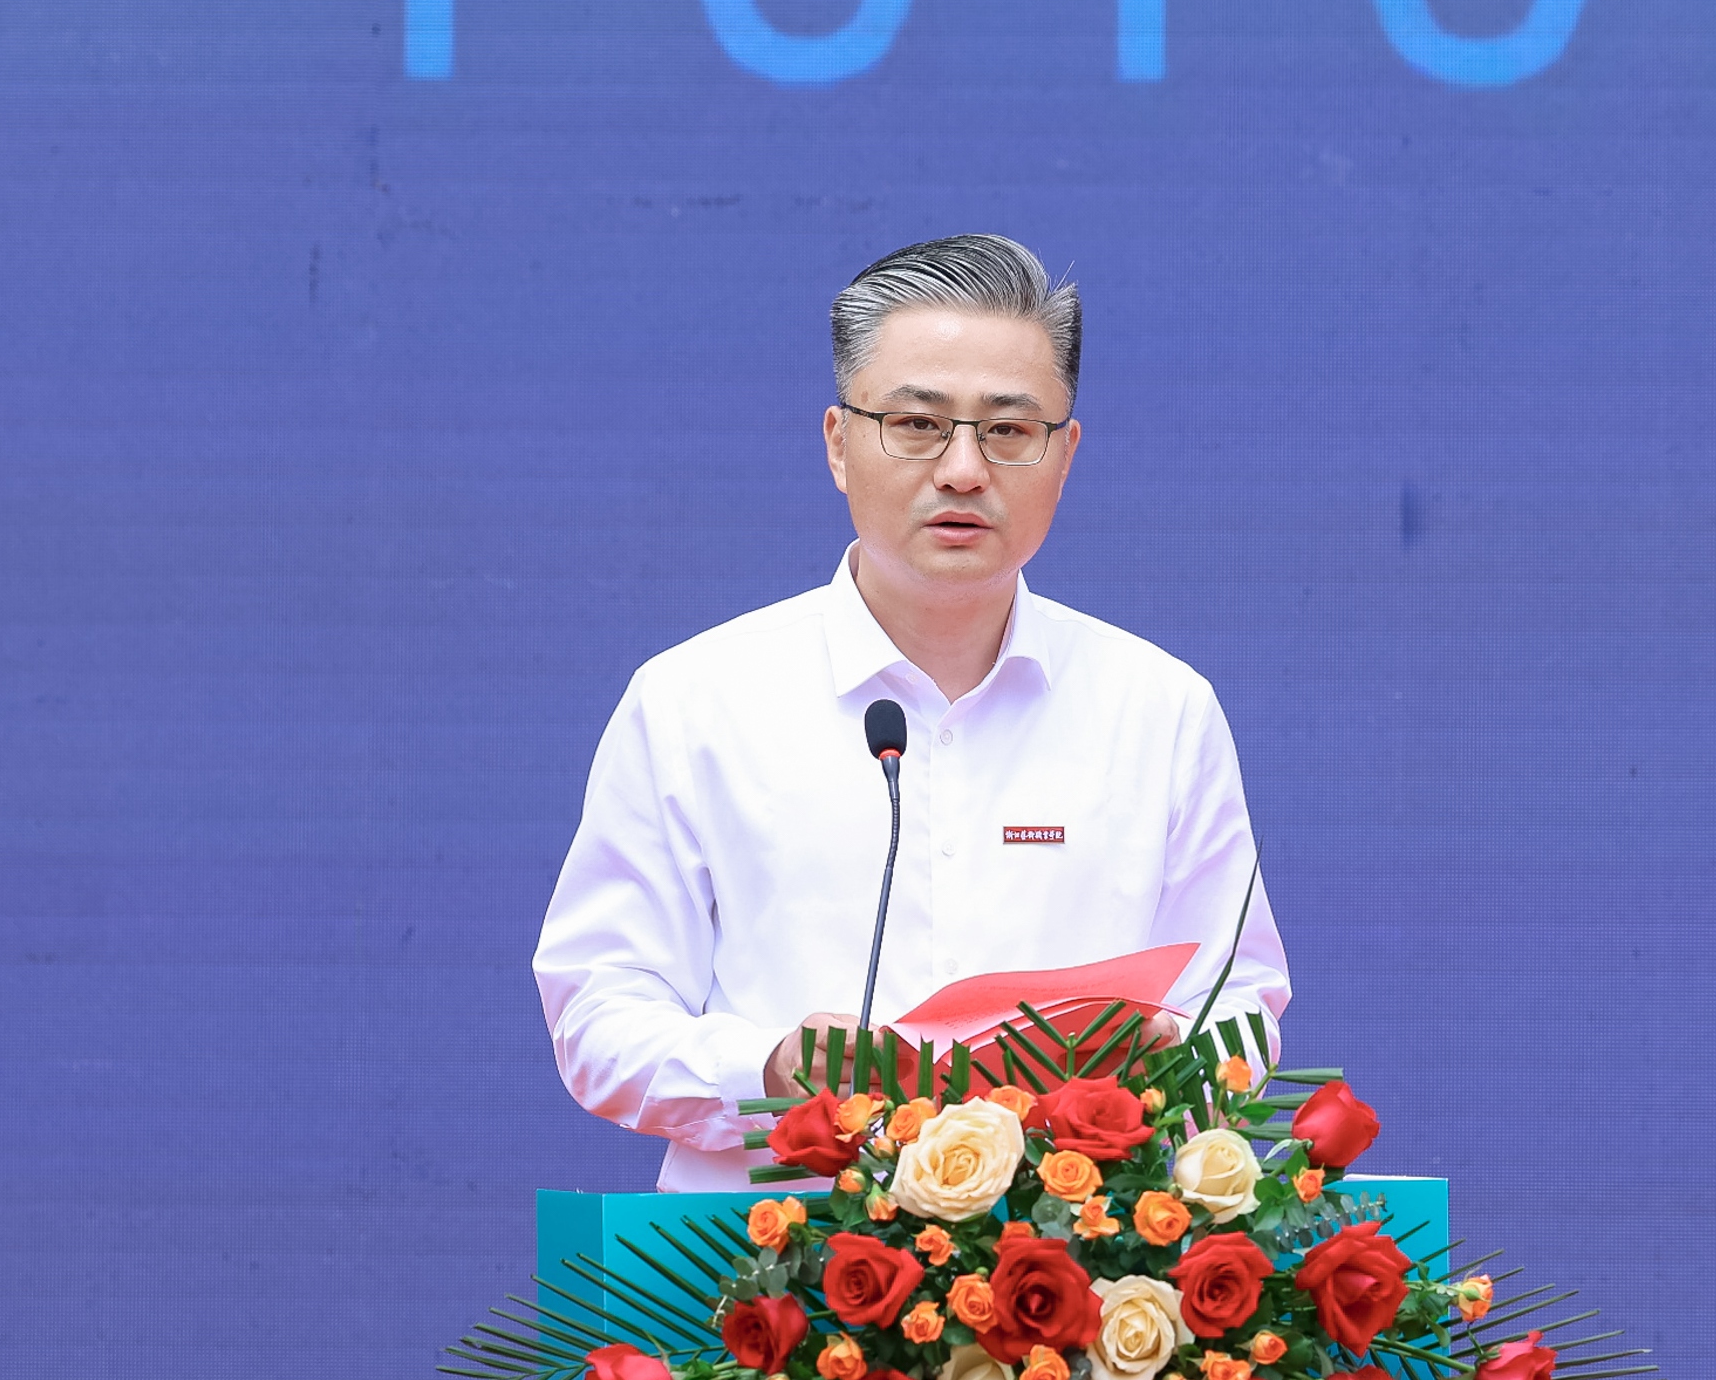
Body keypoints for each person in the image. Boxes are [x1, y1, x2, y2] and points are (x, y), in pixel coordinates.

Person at [534, 235, 1290, 1191]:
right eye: (918, 424)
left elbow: (1240, 998)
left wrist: (1169, 1056)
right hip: (766, 1267)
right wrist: (766, 1069)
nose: (964, 469)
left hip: (1075, 1259)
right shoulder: (695, 700)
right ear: (838, 443)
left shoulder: (1160, 709)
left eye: (1009, 430)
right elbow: (599, 1009)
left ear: (1065, 456)